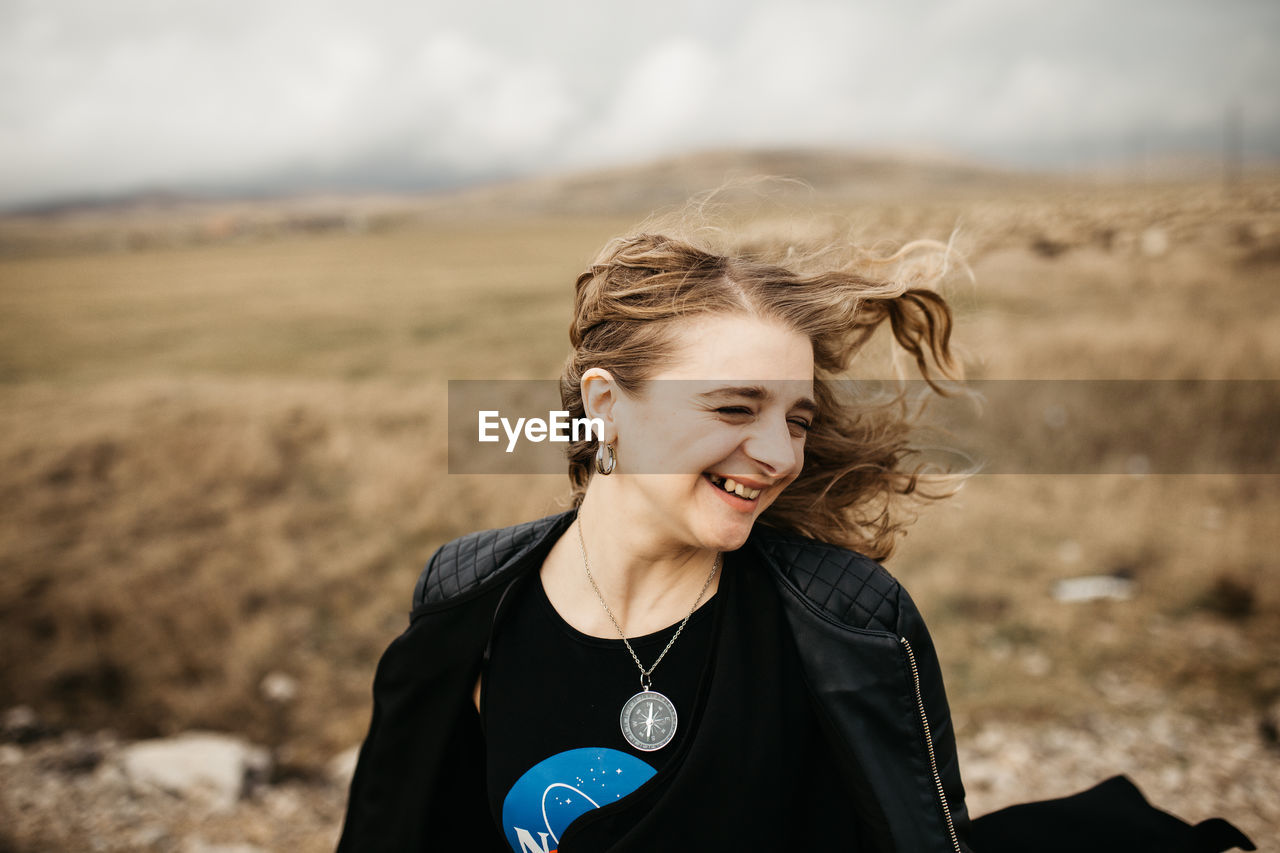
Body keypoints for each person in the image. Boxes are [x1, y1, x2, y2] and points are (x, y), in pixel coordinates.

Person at [335, 218, 1256, 852]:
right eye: (735, 406)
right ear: (607, 408)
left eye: (798, 419)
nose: (777, 454)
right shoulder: (470, 602)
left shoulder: (846, 622)